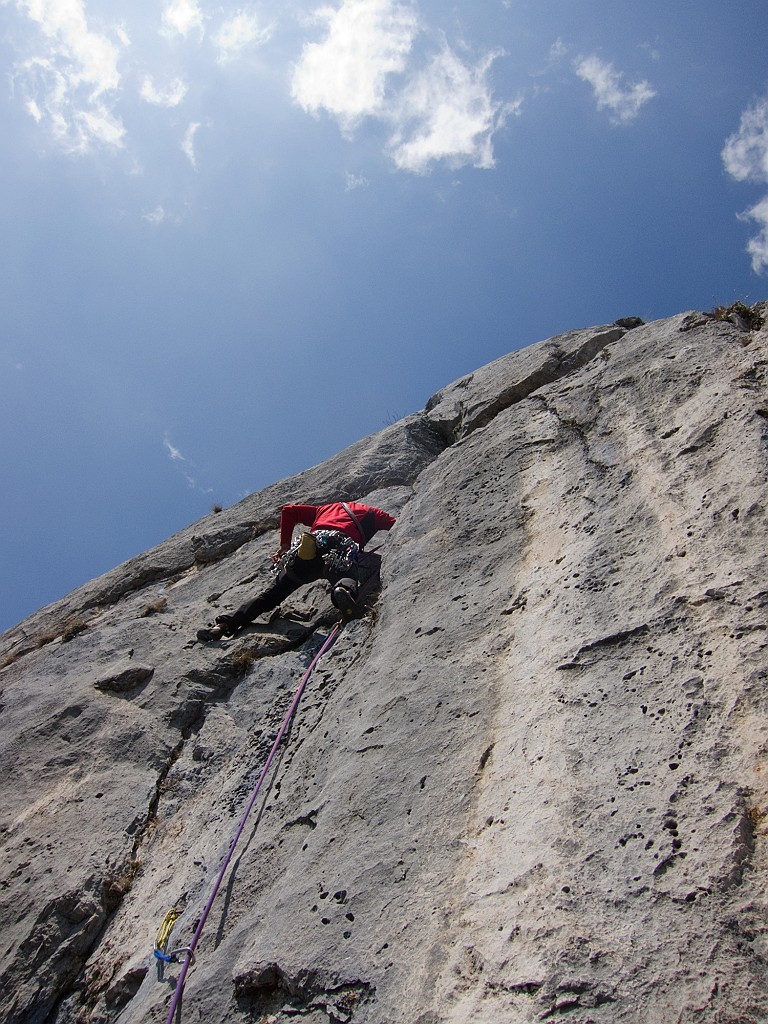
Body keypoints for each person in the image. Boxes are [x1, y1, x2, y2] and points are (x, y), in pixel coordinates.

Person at [197, 501, 396, 642]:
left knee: (271, 595)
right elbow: (397, 524)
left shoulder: (325, 509)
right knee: (345, 574)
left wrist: (284, 546)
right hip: (338, 548)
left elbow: (289, 511)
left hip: (306, 554)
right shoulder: (371, 513)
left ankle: (223, 626)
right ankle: (343, 592)